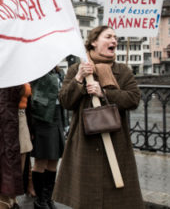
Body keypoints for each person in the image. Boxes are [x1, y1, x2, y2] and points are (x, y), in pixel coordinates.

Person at [52, 26, 143, 209]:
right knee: (86, 197)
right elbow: (65, 102)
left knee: (116, 199)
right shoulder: (76, 69)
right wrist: (79, 78)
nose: (114, 41)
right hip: (85, 141)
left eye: (115, 38)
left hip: (115, 141)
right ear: (93, 42)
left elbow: (133, 99)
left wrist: (105, 94)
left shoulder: (122, 71)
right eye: (108, 37)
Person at [29, 67, 66, 209]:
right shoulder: (38, 69)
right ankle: (39, 200)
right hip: (42, 116)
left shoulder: (59, 72)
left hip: (57, 115)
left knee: (54, 158)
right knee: (41, 159)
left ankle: (48, 197)